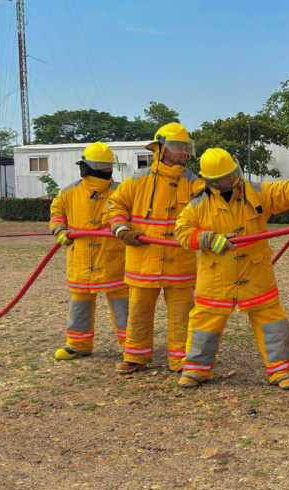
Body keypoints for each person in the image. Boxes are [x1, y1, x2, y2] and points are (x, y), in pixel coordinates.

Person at [174, 148, 289, 389]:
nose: (234, 179)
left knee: (272, 322)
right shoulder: (198, 204)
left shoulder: (256, 192)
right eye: (227, 177)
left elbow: (286, 191)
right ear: (213, 181)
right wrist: (208, 239)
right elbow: (181, 230)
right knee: (204, 324)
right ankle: (195, 369)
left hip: (255, 273)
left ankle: (281, 371)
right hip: (216, 277)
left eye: (234, 173)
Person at [107, 123, 199, 374]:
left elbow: (208, 210)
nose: (184, 152)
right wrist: (122, 231)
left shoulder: (194, 183)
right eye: (177, 147)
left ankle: (182, 359)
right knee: (138, 310)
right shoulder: (138, 180)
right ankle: (135, 356)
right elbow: (115, 206)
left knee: (183, 314)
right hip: (143, 261)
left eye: (185, 147)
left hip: (180, 262)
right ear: (161, 150)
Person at [49, 143, 129, 360]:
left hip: (114, 257)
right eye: (101, 167)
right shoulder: (69, 192)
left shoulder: (121, 191)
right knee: (80, 304)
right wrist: (60, 230)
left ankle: (132, 345)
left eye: (107, 167)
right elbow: (57, 212)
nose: (105, 171)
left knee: (123, 305)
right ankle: (78, 344)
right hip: (81, 258)